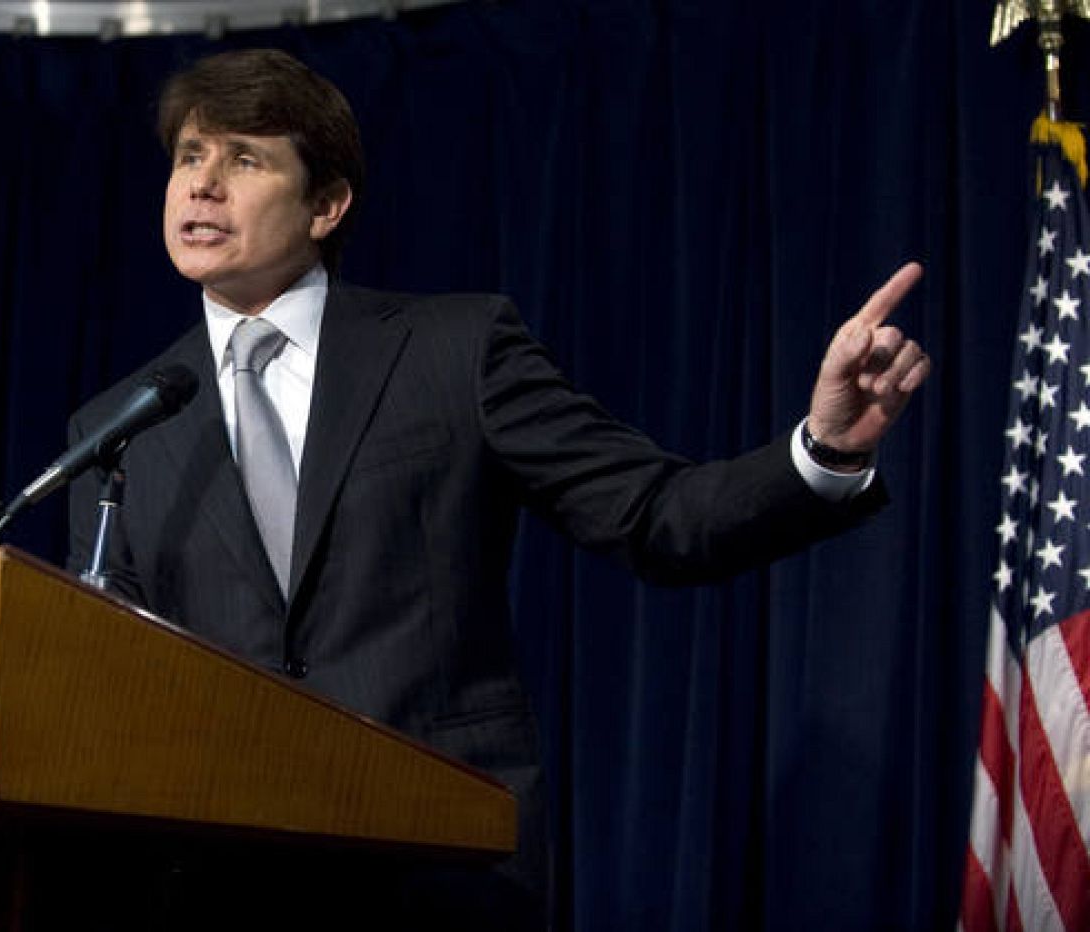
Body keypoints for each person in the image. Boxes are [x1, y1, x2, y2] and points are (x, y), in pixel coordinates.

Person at [66, 48, 929, 930]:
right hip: (224, 882)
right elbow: (118, 686)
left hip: (438, 865)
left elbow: (656, 517)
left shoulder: (455, 351)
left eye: (244, 159)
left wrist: (821, 447)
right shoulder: (120, 425)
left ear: (326, 204)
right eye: (189, 157)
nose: (202, 186)